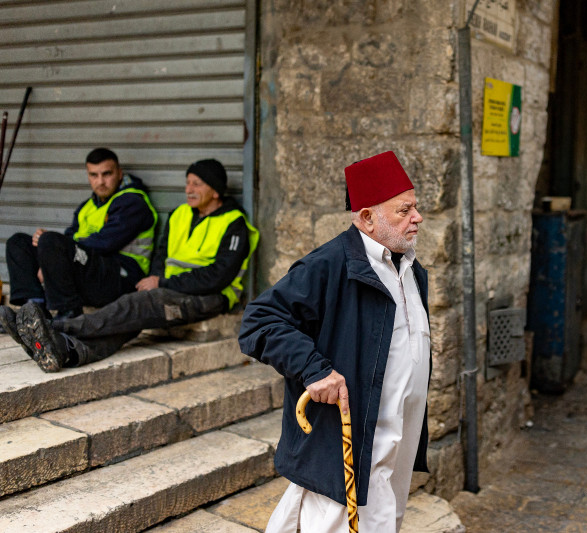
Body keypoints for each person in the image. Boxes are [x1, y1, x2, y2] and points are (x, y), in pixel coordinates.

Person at [238, 150, 430, 533]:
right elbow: (259, 322)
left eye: (415, 207)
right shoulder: (328, 264)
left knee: (384, 519)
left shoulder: (411, 267)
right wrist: (315, 370)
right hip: (352, 434)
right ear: (367, 217)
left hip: (396, 437)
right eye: (404, 210)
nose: (418, 217)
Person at [0, 159, 259, 373]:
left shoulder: (234, 223)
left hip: (210, 297)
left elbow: (219, 276)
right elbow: (160, 256)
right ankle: (66, 350)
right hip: (171, 289)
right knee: (129, 321)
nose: (188, 189)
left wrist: (162, 282)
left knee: (136, 305)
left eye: (197, 184)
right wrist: (157, 278)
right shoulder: (180, 214)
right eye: (187, 182)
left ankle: (52, 327)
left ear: (216, 190)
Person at [4, 147, 157, 319]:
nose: (100, 181)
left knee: (51, 242)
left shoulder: (133, 202)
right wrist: (48, 251)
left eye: (107, 174)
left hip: (121, 277)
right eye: (94, 175)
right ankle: (34, 310)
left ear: (120, 174)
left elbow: (105, 243)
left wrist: (53, 250)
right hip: (90, 270)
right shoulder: (87, 206)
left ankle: (68, 313)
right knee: (19, 242)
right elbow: (69, 238)